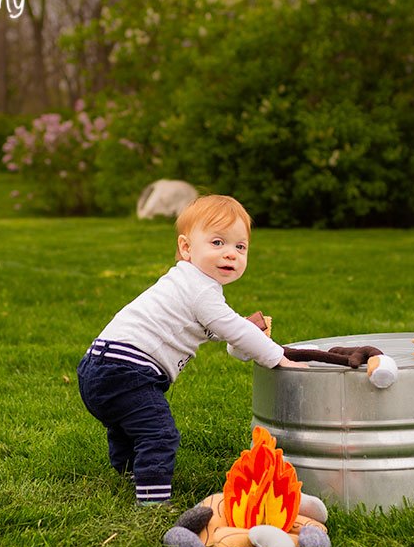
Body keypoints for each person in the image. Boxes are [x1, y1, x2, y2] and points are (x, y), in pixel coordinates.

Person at [77, 194, 305, 506]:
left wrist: (249, 338)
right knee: (158, 434)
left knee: (127, 425)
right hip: (126, 371)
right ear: (186, 248)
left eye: (240, 247)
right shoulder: (200, 289)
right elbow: (230, 327)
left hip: (97, 368)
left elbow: (227, 333)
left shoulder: (187, 285)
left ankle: (130, 472)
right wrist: (277, 356)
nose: (230, 254)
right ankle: (153, 501)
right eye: (217, 242)